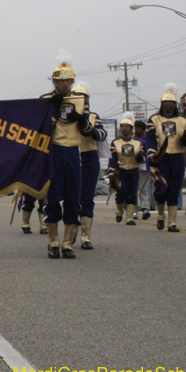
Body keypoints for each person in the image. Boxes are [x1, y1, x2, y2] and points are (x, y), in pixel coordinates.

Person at [42, 51, 92, 260]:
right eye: (60, 81)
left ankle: (68, 243)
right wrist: (53, 109)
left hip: (73, 151)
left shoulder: (80, 99)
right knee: (53, 197)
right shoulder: (45, 100)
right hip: (54, 151)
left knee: (73, 198)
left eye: (68, 80)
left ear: (72, 81)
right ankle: (53, 241)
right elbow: (40, 129)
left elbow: (89, 130)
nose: (64, 84)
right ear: (54, 82)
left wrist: (80, 119)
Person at [145, 83, 186, 232]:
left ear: (175, 104)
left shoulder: (183, 120)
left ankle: (172, 222)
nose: (169, 104)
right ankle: (160, 215)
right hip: (161, 157)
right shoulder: (154, 120)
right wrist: (151, 155)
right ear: (162, 103)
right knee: (161, 188)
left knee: (174, 188)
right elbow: (150, 140)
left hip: (177, 156)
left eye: (171, 102)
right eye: (166, 102)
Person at [73, 81, 107, 250]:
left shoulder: (94, 116)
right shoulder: (65, 116)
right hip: (71, 156)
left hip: (89, 157)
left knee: (87, 197)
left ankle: (85, 236)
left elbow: (101, 134)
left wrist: (89, 127)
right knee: (71, 197)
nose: (81, 100)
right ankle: (70, 232)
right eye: (78, 97)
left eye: (84, 97)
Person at [109, 112, 144, 225]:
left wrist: (140, 157)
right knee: (121, 193)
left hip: (133, 170)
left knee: (131, 193)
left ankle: (129, 217)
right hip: (120, 172)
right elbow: (113, 159)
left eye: (127, 127)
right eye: (122, 126)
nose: (124, 129)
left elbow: (142, 159)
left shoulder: (137, 143)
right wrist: (111, 173)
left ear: (131, 129)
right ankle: (119, 210)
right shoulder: (115, 143)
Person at [134, 120, 153, 220]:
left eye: (138, 128)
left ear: (142, 129)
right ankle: (134, 210)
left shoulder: (147, 139)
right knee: (134, 189)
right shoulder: (132, 139)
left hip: (144, 166)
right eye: (135, 128)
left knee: (144, 188)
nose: (136, 130)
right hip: (134, 166)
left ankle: (145, 208)